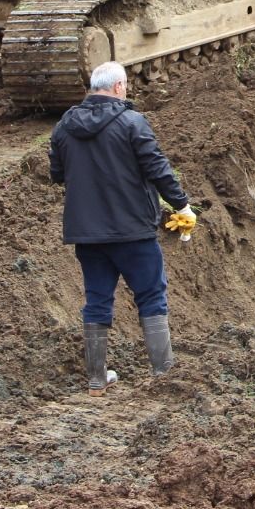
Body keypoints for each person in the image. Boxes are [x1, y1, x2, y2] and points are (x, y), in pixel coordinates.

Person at [49, 61, 196, 397]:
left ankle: (97, 380)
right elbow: (158, 169)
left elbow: (56, 174)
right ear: (118, 87)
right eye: (126, 86)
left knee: (97, 300)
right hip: (133, 231)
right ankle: (163, 373)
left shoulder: (64, 127)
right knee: (151, 295)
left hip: (88, 234)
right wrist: (182, 205)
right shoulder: (132, 122)